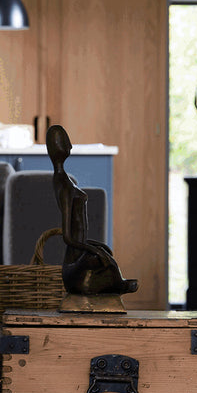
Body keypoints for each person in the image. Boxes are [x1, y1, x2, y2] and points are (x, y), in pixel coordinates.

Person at [46, 124, 138, 296]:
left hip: (81, 246)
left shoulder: (64, 178)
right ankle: (118, 285)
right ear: (55, 148)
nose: (70, 146)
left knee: (106, 252)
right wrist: (93, 250)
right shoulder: (62, 184)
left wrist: (95, 246)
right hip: (74, 256)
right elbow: (67, 237)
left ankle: (116, 285)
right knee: (99, 258)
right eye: (64, 143)